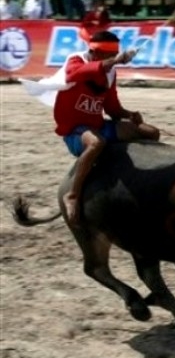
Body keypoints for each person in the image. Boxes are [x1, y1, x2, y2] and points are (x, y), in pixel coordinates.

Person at [51, 31, 160, 224]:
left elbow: (112, 108)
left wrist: (129, 115)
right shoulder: (75, 61)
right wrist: (115, 61)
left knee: (151, 133)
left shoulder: (109, 73)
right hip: (75, 131)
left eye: (115, 56)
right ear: (96, 53)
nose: (113, 60)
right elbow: (75, 74)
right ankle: (73, 194)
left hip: (99, 125)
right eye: (110, 56)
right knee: (96, 143)